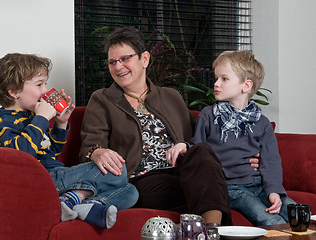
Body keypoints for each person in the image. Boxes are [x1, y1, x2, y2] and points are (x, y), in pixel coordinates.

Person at [80, 26, 257, 225]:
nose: (118, 66)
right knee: (210, 188)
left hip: (184, 170)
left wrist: (246, 151)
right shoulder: (102, 100)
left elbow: (205, 138)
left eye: (125, 58)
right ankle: (213, 230)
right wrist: (97, 152)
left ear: (144, 59)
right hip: (141, 179)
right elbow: (89, 147)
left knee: (201, 153)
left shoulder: (171, 96)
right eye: (112, 62)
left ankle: (209, 232)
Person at [0, 53, 138, 229]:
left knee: (131, 192)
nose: (45, 91)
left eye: (45, 83)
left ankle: (79, 205)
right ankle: (76, 198)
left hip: (56, 174)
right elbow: (19, 157)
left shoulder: (31, 116)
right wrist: (42, 118)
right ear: (13, 91)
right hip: (37, 181)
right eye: (39, 84)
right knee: (117, 170)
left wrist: (61, 123)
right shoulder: (0, 121)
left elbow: (50, 151)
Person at [167, 50, 296, 226]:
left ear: (246, 86)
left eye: (224, 79)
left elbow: (271, 161)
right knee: (269, 219)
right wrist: (183, 147)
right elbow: (197, 148)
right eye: (216, 78)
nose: (216, 84)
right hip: (231, 189)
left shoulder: (262, 123)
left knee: (299, 213)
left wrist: (274, 191)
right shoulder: (208, 115)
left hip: (258, 185)